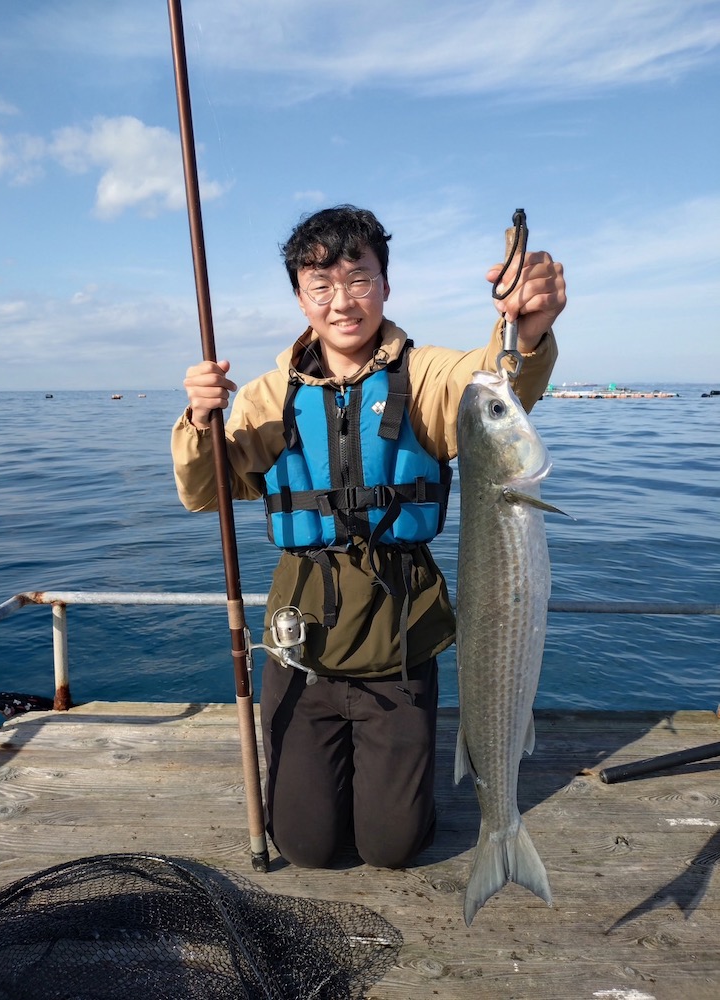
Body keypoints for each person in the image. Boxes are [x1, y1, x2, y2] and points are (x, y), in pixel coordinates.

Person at [171, 205, 566, 870]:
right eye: (321, 286)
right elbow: (205, 490)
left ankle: (400, 790)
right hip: (304, 651)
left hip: (399, 646)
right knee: (306, 847)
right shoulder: (270, 395)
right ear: (301, 296)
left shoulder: (427, 374)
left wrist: (526, 334)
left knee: (393, 847)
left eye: (359, 279)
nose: (342, 302)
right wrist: (197, 418)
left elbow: (495, 385)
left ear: (385, 284)